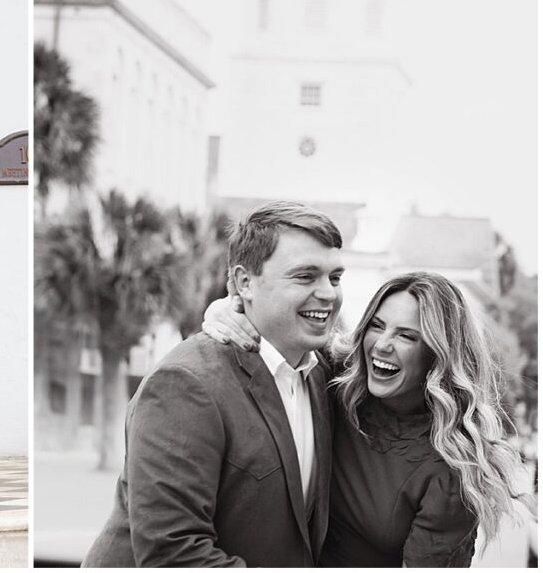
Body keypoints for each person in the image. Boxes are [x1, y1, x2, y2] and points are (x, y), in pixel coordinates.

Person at [205, 270, 535, 567]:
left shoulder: (451, 473)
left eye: (407, 336)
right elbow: (266, 328)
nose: (382, 345)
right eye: (377, 326)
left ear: (438, 356)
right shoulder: (334, 377)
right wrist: (226, 311)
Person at [82, 201, 344, 566]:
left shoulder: (324, 373)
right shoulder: (184, 384)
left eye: (335, 278)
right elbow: (173, 555)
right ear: (244, 282)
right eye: (305, 276)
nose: (329, 293)